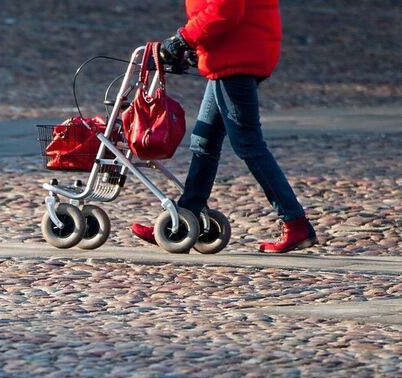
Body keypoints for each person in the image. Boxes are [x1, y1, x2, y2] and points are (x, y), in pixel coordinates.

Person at [131, 0, 318, 253]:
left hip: (235, 57)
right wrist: (198, 44)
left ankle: (295, 222)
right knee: (204, 141)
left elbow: (224, 10)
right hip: (236, 51)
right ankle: (185, 219)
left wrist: (183, 39)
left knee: (248, 144)